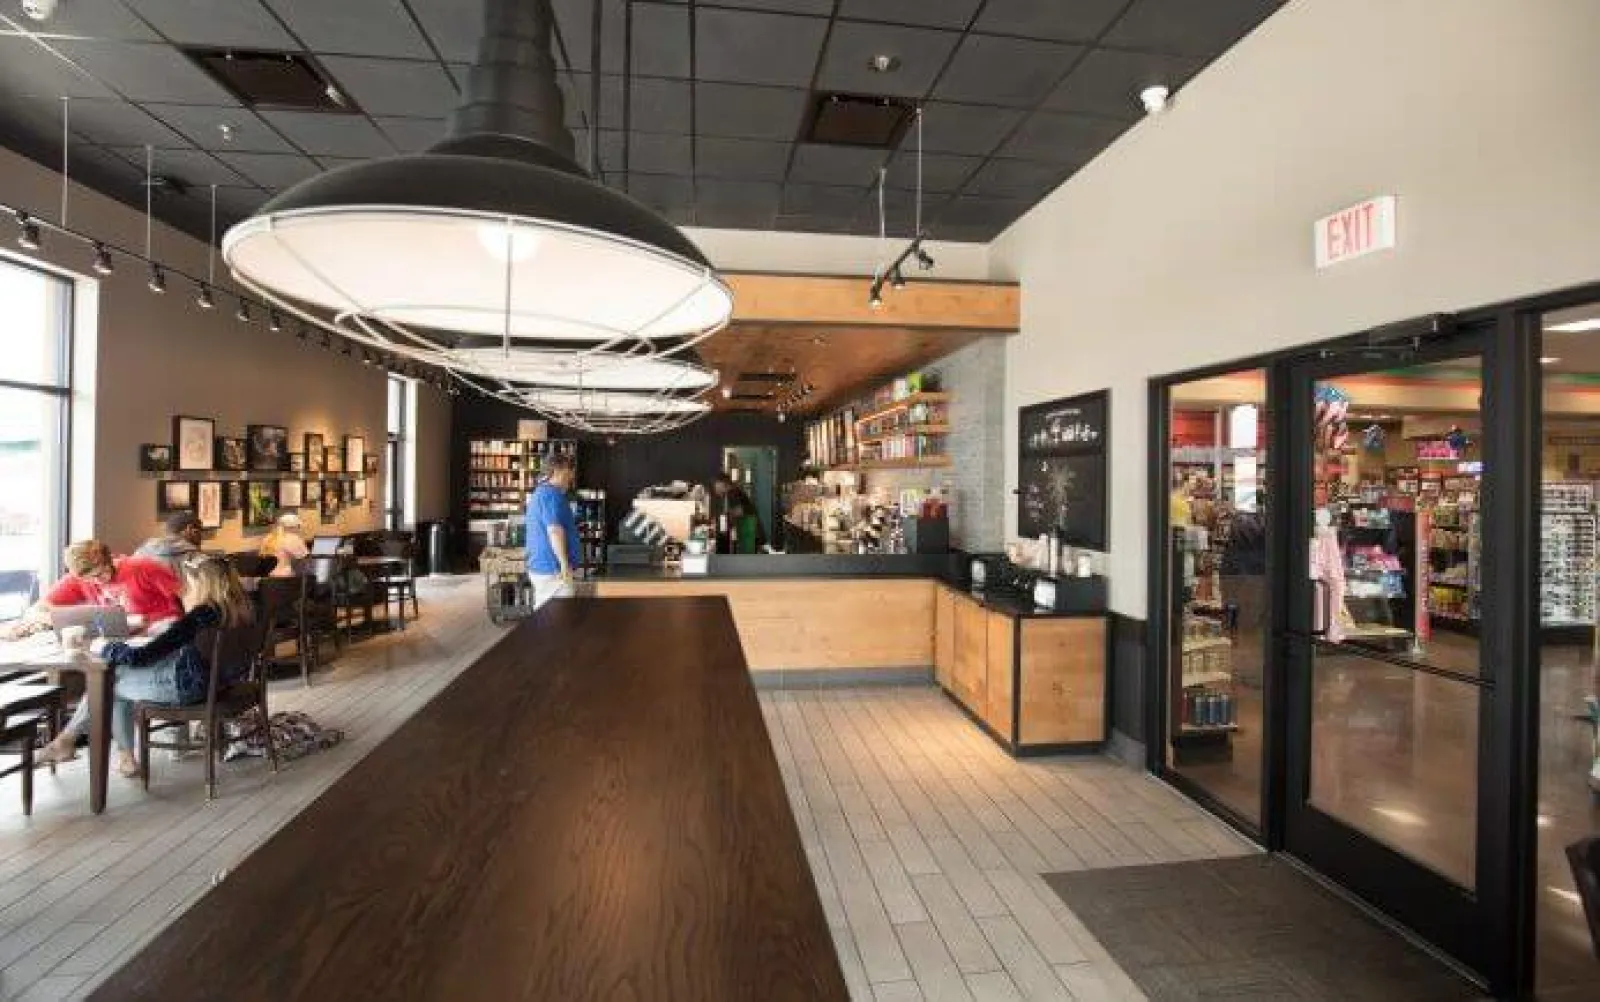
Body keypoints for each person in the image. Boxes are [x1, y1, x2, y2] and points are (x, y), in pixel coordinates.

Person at [38, 557, 253, 777]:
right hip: (220, 684)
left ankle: (85, 746)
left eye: (189, 582)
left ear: (202, 584)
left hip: (192, 688)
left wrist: (103, 646)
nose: (186, 588)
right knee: (115, 676)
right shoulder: (243, 611)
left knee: (108, 681)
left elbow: (140, 657)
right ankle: (110, 754)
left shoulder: (200, 616)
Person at [0, 540, 183, 640]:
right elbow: (41, 607)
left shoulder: (143, 567)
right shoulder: (78, 579)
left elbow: (188, 598)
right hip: (119, 639)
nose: (99, 580)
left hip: (159, 635)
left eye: (102, 572)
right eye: (91, 578)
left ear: (110, 559)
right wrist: (37, 621)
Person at [524, 453, 579, 609]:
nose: (571, 476)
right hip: (552, 568)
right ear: (557, 471)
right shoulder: (551, 494)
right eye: (569, 471)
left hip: (544, 566)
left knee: (547, 614)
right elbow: (554, 530)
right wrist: (563, 563)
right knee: (562, 614)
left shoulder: (542, 492)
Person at [134, 512, 206, 576]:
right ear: (189, 528)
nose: (202, 537)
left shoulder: (140, 552)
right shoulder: (196, 559)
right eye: (200, 531)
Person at [713, 474, 767, 550]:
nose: (715, 488)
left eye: (716, 485)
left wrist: (724, 517)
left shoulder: (732, 493)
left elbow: (739, 511)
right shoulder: (733, 492)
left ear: (722, 484)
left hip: (751, 534)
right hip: (751, 533)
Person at [258, 512, 309, 577]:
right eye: (298, 526)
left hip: (266, 580)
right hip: (284, 580)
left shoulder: (268, 537)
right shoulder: (293, 538)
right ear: (293, 526)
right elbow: (305, 560)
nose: (299, 529)